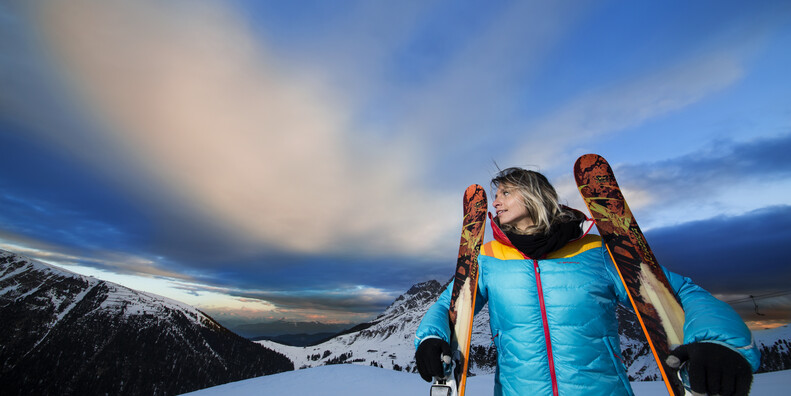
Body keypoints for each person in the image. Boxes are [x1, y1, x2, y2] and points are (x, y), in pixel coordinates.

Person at [414, 167, 759, 396]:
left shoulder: (596, 253)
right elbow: (449, 304)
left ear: (536, 196)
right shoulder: (490, 258)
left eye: (506, 192)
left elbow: (679, 293)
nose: (497, 201)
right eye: (496, 195)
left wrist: (720, 343)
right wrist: (431, 339)